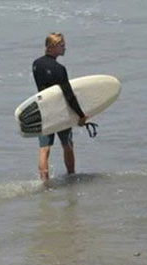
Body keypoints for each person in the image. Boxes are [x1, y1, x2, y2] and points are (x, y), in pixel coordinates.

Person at [32, 32, 87, 182]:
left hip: (44, 111)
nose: (64, 48)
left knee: (44, 148)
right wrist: (81, 115)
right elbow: (69, 95)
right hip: (60, 112)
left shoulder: (36, 64)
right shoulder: (59, 69)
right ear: (52, 46)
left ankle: (44, 182)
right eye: (62, 45)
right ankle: (71, 177)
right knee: (67, 144)